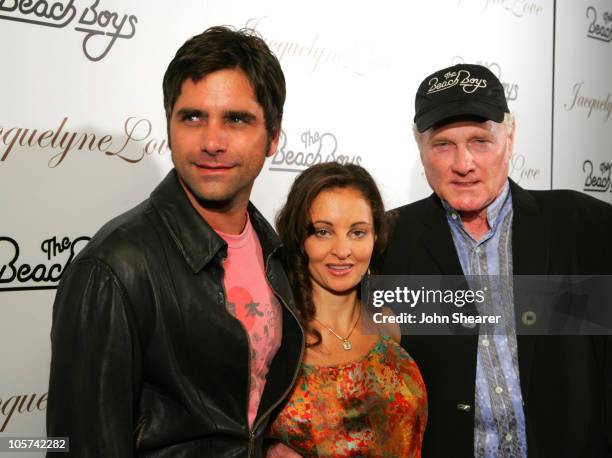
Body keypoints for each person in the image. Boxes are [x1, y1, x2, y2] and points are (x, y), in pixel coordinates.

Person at [46, 26, 304, 457]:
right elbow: (79, 446)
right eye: (192, 117)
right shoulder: (114, 268)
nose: (211, 142)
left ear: (273, 136)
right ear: (169, 128)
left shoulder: (273, 250)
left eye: (236, 120)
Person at [380, 63, 612, 457]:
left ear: (510, 136)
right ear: (419, 147)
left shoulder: (583, 225)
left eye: (480, 141)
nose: (463, 163)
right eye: (443, 144)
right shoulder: (386, 242)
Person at [267, 162, 428, 457]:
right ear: (298, 239)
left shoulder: (388, 324)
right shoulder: (276, 338)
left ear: (376, 237)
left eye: (357, 232)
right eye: (323, 232)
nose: (342, 250)